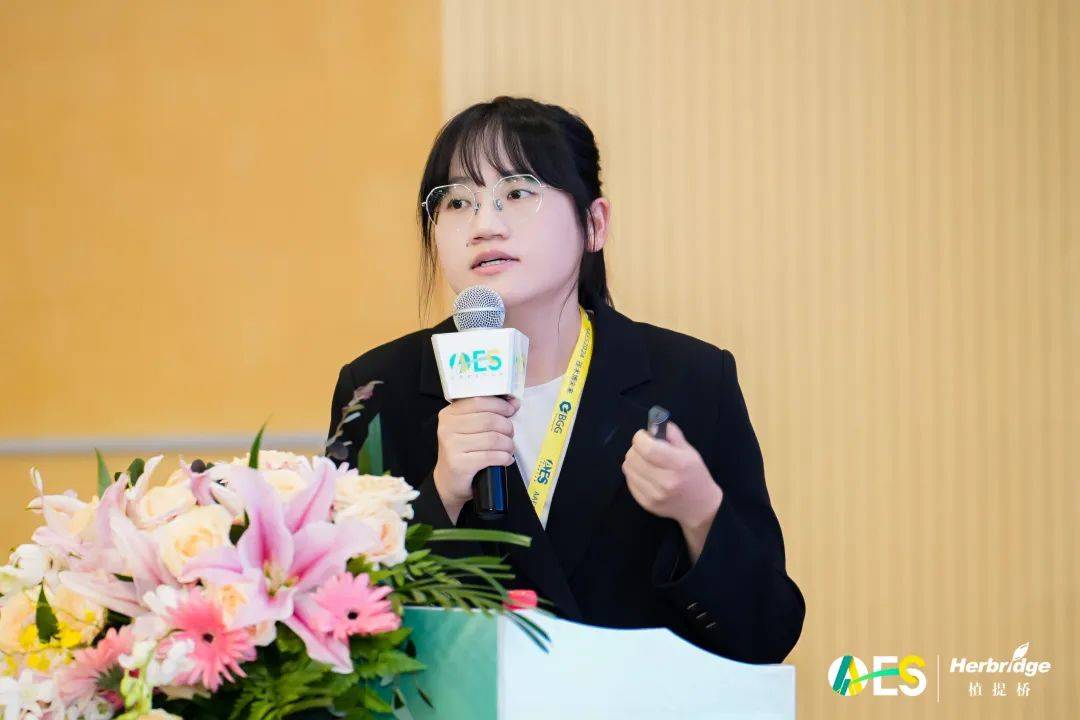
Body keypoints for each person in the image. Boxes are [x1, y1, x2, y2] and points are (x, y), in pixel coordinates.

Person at [326, 96, 804, 664]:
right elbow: (337, 633)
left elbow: (767, 634)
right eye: (457, 201)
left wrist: (700, 513)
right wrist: (441, 497)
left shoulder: (690, 379)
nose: (484, 225)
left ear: (594, 223)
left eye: (517, 193)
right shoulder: (379, 390)